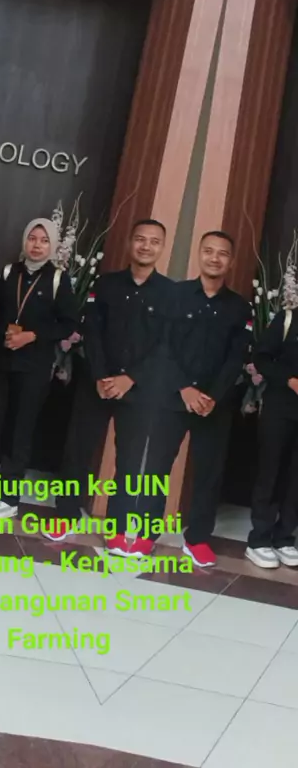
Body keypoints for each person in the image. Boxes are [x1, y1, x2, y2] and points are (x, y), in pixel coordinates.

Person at [43, 219, 174, 549]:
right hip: (96, 383)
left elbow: (167, 345)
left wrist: (130, 378)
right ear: (130, 243)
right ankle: (66, 514)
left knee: (129, 459)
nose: (146, 246)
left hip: (138, 389)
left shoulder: (171, 294)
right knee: (77, 450)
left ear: (162, 247)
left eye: (154, 241)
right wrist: (102, 376)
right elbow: (92, 331)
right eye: (140, 239)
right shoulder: (105, 284)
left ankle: (117, 526)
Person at [136, 231, 251, 568]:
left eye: (222, 253)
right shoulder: (175, 295)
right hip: (173, 397)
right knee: (156, 466)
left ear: (231, 261)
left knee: (209, 474)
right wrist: (184, 388)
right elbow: (161, 346)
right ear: (199, 254)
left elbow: (236, 358)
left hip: (215, 404)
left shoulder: (239, 307)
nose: (215, 258)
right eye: (208, 251)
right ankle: (145, 533)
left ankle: (197, 537)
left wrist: (213, 395)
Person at [0, 218, 79, 519]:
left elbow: (69, 323)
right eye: (32, 238)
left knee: (20, 429)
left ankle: (9, 497)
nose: (37, 245)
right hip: (0, 361)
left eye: (44, 240)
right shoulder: (8, 272)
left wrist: (33, 335)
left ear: (52, 246)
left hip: (34, 366)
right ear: (25, 241)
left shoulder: (58, 279)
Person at [245, 308, 298, 568]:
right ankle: (259, 539)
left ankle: (284, 537)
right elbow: (262, 357)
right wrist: (290, 380)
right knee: (271, 471)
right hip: (280, 407)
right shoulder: (288, 319)